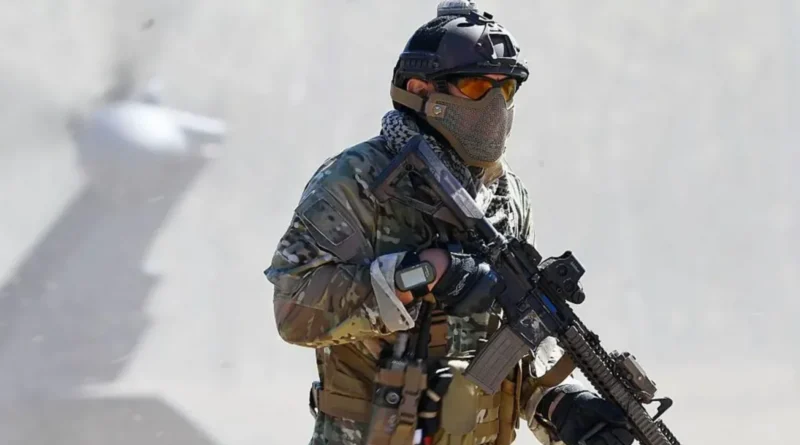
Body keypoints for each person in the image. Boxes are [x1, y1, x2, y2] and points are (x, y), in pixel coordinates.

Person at [265, 2, 635, 444]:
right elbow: (293, 310)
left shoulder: (507, 196)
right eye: (477, 86)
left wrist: (562, 405)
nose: (496, 104)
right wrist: (424, 272)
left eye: (506, 89)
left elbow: (515, 347)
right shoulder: (358, 179)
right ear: (420, 89)